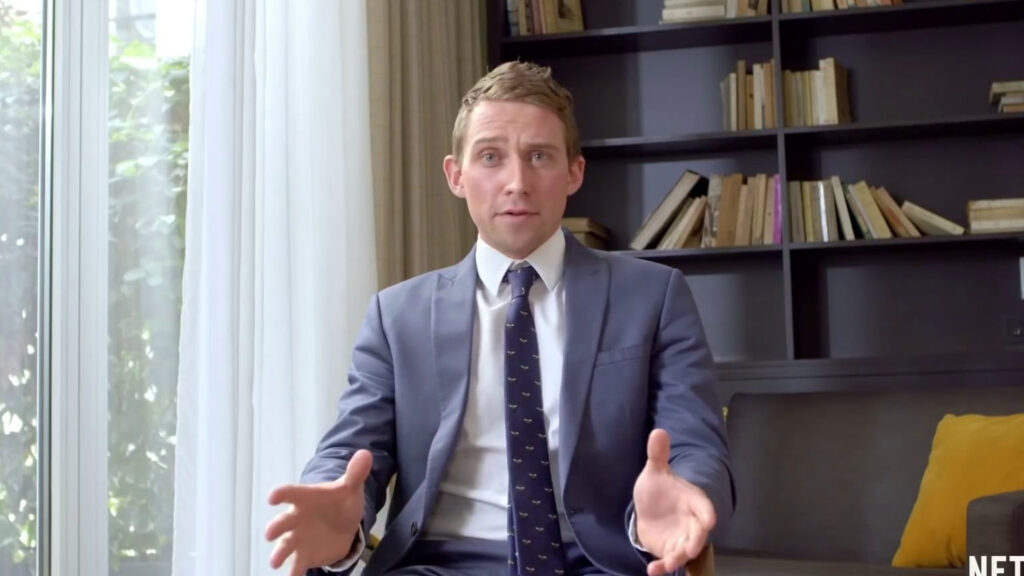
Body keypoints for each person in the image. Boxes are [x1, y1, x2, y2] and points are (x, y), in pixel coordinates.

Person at [264, 60, 734, 576]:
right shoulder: (396, 315)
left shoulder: (653, 296)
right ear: (456, 176)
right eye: (490, 157)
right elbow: (352, 451)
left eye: (539, 156)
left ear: (574, 172)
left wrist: (684, 495)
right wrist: (337, 508)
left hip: (599, 562)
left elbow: (694, 444)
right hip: (438, 566)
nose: (517, 182)